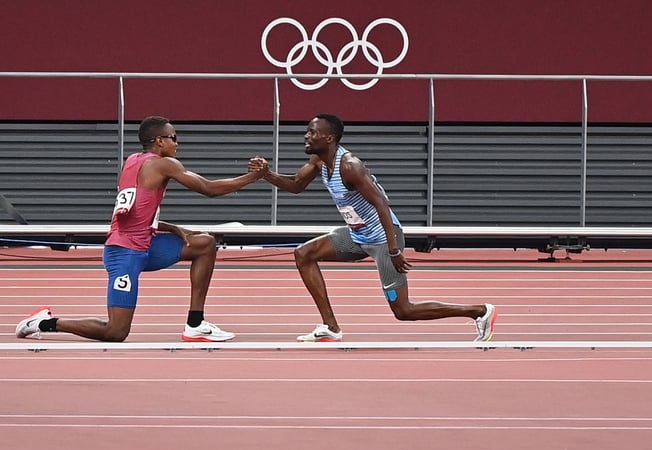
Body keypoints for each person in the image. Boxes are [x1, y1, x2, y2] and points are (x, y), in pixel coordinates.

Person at [16, 115, 266, 342]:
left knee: (204, 244)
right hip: (124, 253)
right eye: (174, 138)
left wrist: (177, 229)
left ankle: (195, 323)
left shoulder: (132, 161)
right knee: (115, 332)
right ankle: (44, 322)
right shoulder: (164, 163)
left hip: (147, 243)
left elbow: (138, 212)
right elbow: (208, 189)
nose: (178, 144)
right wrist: (253, 178)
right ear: (159, 141)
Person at [255, 113, 497, 342]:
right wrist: (266, 174)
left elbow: (382, 203)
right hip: (357, 235)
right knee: (304, 253)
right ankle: (331, 327)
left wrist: (393, 250)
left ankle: (479, 311)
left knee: (403, 310)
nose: (306, 136)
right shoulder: (318, 161)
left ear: (329, 138)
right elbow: (296, 185)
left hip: (383, 238)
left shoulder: (350, 166)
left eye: (311, 132)